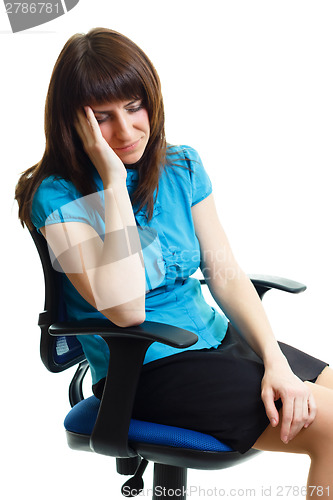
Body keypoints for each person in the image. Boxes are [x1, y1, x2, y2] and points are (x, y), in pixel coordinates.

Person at [15, 27, 333, 497]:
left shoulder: (181, 166)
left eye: (133, 107)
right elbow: (126, 310)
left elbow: (225, 274)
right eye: (103, 117)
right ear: (74, 122)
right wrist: (112, 181)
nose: (124, 131)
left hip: (215, 340)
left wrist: (276, 363)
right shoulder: (56, 196)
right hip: (148, 368)